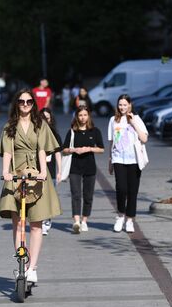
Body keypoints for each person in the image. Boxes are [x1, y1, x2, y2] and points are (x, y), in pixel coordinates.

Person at [0, 89, 62, 284]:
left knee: (36, 224)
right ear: (16, 104)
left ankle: (32, 267)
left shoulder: (40, 124)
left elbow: (42, 150)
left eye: (29, 102)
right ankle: (21, 263)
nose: (25, 105)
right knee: (18, 223)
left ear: (34, 104)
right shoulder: (10, 126)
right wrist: (6, 172)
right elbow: (8, 152)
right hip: (16, 174)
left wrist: (44, 171)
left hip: (36, 175)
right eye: (21, 101)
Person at [108, 94, 148, 233]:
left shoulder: (136, 119)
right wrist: (110, 161)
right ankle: (120, 216)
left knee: (132, 192)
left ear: (130, 105)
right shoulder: (113, 120)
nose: (122, 107)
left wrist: (133, 123)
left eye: (125, 104)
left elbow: (144, 138)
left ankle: (130, 220)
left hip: (134, 160)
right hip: (118, 159)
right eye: (120, 104)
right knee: (121, 189)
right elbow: (111, 142)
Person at [63, 107, 104, 234]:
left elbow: (101, 149)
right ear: (76, 116)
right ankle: (76, 221)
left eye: (85, 115)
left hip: (90, 167)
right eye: (80, 115)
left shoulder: (95, 131)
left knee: (88, 195)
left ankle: (84, 221)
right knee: (75, 194)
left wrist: (89, 149)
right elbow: (64, 149)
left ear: (89, 116)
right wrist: (73, 150)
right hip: (75, 167)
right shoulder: (72, 132)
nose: (82, 118)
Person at [39, 108, 62, 236]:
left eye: (47, 118)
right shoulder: (35, 132)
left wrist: (60, 171)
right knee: (39, 196)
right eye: (42, 118)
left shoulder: (54, 134)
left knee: (48, 197)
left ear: (51, 119)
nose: (45, 121)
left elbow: (58, 153)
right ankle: (41, 220)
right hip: (37, 170)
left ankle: (46, 221)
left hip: (51, 170)